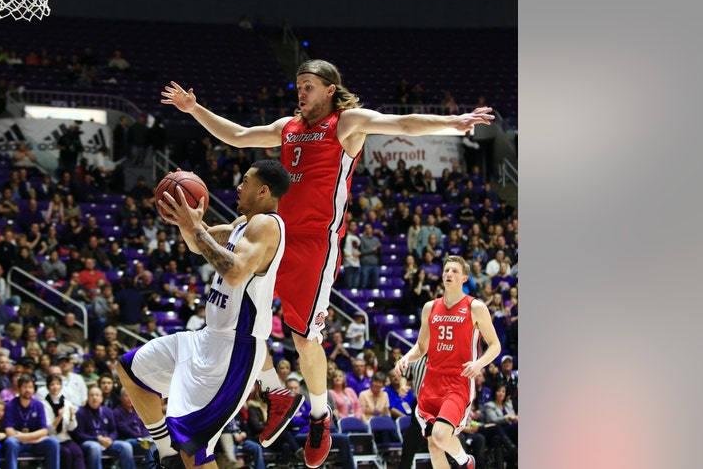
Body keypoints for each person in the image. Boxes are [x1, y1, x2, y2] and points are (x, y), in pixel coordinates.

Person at [160, 60, 493, 468]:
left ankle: (320, 416)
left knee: (303, 339)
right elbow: (239, 135)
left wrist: (455, 122)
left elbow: (403, 125)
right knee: (238, 318)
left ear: (330, 89)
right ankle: (276, 393)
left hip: (316, 244)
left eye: (309, 86)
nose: (300, 92)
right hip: (274, 233)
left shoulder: (346, 122)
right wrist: (194, 108)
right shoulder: (288, 126)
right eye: (298, 85)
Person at [117, 160, 290, 469]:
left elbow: (235, 272)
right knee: (131, 370)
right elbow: (203, 243)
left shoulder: (266, 224)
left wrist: (196, 228)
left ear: (263, 190)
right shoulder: (242, 224)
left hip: (233, 348)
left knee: (194, 449)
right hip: (206, 338)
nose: (239, 186)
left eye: (246, 181)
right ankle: (166, 455)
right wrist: (186, 222)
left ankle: (176, 454)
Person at [395, 256, 502, 469]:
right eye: (446, 270)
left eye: (454, 271)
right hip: (430, 382)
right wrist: (406, 357)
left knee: (441, 435)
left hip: (457, 381)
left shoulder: (475, 307)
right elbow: (421, 347)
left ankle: (466, 461)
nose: (448, 274)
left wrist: (479, 363)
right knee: (434, 446)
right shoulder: (429, 307)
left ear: (464, 277)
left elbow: (495, 345)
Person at [2, 376, 61, 469]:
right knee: (10, 442)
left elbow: (44, 431)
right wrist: (33, 438)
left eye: (30, 387)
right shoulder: (10, 405)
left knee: (53, 442)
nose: (28, 390)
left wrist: (25, 437)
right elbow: (9, 431)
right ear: (19, 388)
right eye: (25, 387)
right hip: (19, 443)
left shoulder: (39, 405)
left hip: (35, 444)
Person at [72, 386, 137, 469]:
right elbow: (79, 434)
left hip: (107, 441)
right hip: (90, 441)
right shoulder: (81, 412)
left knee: (126, 446)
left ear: (102, 398)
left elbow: (114, 430)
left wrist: (110, 439)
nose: (94, 397)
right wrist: (97, 439)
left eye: (97, 395)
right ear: (87, 398)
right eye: (92, 395)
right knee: (95, 447)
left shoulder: (108, 411)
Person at [40, 374, 85, 469]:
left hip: (65, 438)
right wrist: (59, 417)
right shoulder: (44, 405)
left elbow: (71, 428)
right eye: (52, 384)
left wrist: (72, 416)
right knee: (66, 454)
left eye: (57, 384)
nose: (55, 387)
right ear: (48, 387)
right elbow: (49, 430)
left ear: (61, 386)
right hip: (53, 439)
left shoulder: (66, 403)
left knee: (78, 452)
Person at [112, 387, 159, 469]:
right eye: (126, 396)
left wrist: (145, 437)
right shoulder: (116, 412)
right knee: (147, 444)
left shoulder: (137, 410)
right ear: (121, 398)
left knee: (152, 443)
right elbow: (124, 428)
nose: (129, 398)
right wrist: (140, 437)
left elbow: (144, 426)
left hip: (143, 440)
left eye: (131, 395)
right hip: (128, 440)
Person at [340, 220, 361, 289]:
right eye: (351, 225)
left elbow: (360, 249)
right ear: (348, 226)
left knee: (356, 284)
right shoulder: (345, 236)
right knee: (348, 284)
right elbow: (341, 248)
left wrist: (360, 252)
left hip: (356, 263)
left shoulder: (357, 237)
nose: (353, 226)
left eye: (354, 225)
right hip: (347, 263)